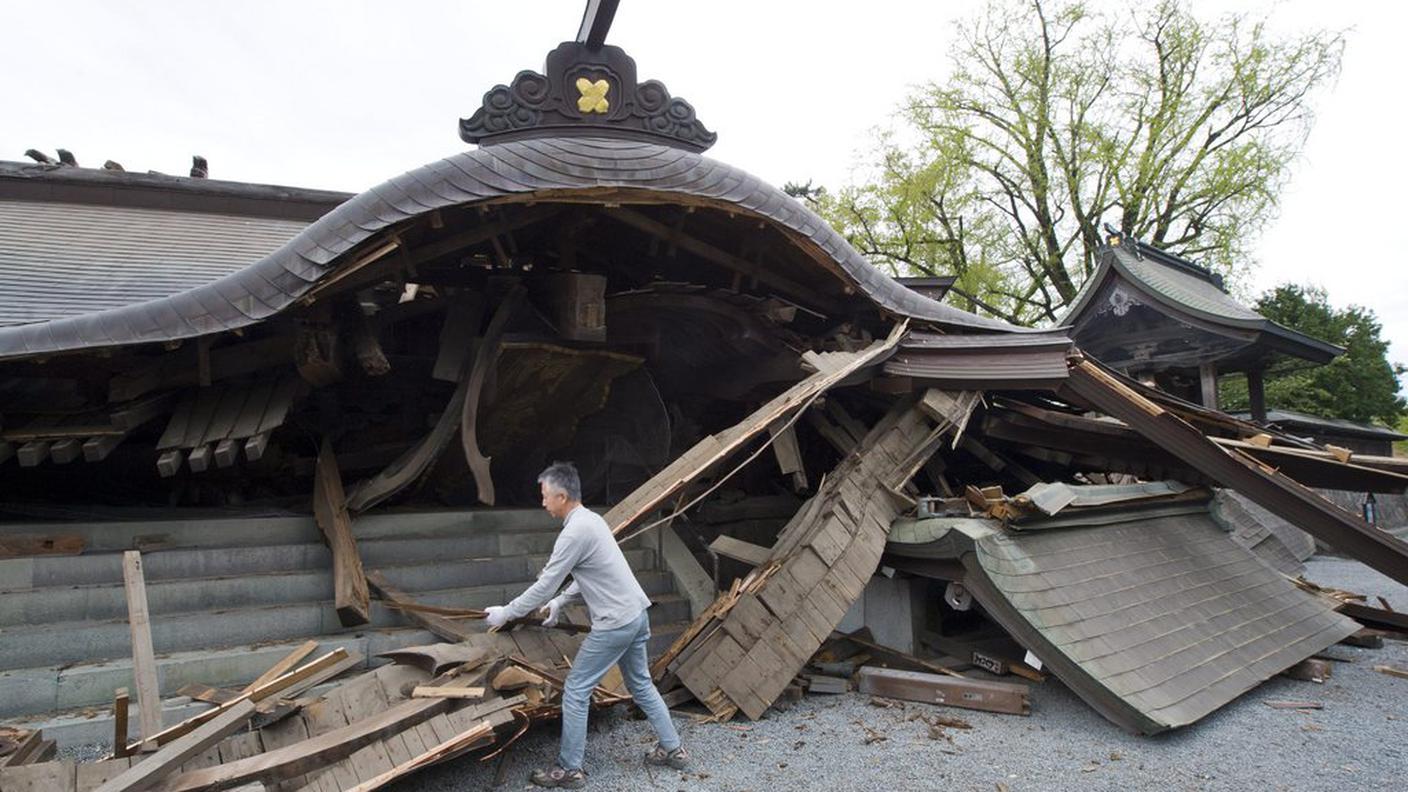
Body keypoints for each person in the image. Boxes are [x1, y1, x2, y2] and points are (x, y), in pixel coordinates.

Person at [485, 461, 687, 789]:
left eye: (545, 496)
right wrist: (561, 603)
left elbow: (545, 585)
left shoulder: (574, 532)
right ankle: (674, 749)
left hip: (615, 623)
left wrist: (506, 612)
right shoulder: (592, 521)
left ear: (562, 496)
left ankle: (570, 770)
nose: (543, 502)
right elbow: (589, 573)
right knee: (641, 684)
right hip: (636, 614)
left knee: (576, 691)